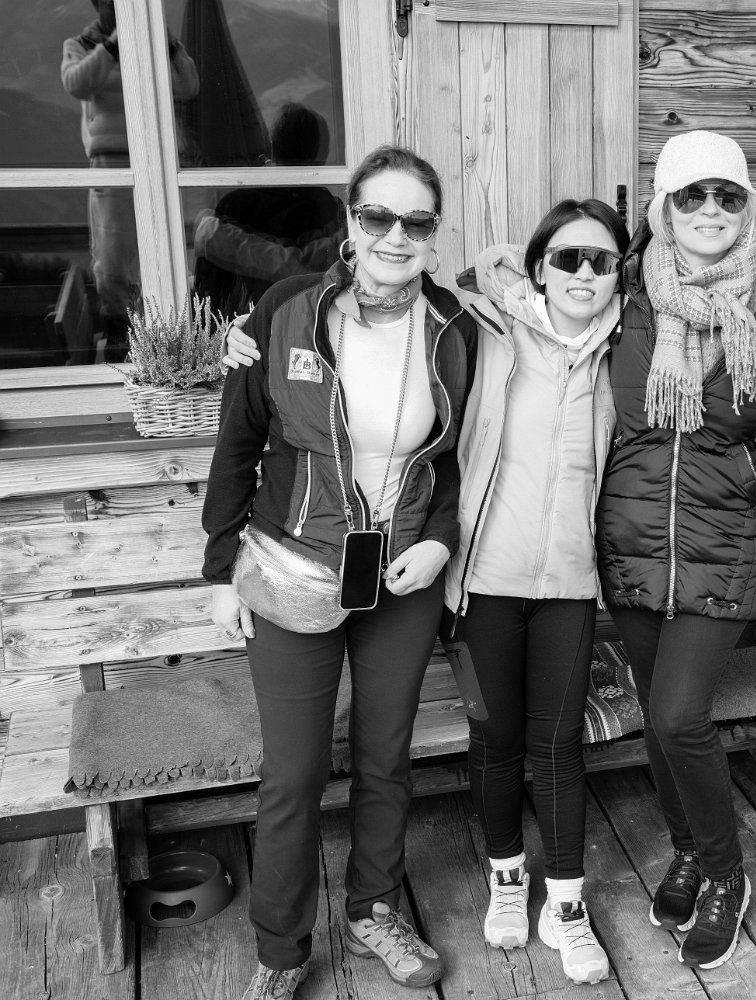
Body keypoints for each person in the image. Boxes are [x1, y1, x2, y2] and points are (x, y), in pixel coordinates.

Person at [203, 145, 474, 1000]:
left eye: (416, 221)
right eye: (377, 216)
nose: (396, 235)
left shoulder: (454, 327)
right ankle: (281, 949)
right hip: (293, 569)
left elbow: (455, 459)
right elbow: (238, 444)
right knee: (293, 772)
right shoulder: (285, 308)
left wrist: (439, 540)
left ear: (434, 232)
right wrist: (217, 570)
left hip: (403, 577)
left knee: (386, 758)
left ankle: (373, 909)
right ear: (351, 222)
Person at [595, 129, 756, 970]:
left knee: (680, 714)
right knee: (659, 715)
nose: (710, 210)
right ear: (664, 208)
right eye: (693, 195)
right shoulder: (623, 290)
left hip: (726, 539)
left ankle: (725, 873)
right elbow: (527, 302)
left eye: (727, 195)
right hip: (635, 536)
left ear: (748, 205)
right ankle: (686, 849)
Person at [439, 199, 629, 985]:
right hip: (483, 580)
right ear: (539, 267)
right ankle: (508, 876)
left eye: (601, 261)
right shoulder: (485, 329)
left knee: (558, 745)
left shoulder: (627, 345)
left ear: (619, 273)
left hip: (570, 586)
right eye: (567, 258)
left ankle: (568, 904)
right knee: (494, 738)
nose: (584, 273)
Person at [61, 0, 198, 356]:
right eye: (110, 2)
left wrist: (169, 43)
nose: (116, 7)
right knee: (112, 255)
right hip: (111, 162)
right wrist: (111, 46)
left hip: (159, 159)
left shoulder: (150, 40)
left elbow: (189, 86)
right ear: (99, 6)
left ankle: (169, 334)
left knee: (163, 243)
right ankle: (120, 334)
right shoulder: (81, 45)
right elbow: (76, 83)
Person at [194, 103, 344, 317]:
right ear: (322, 154)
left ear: (270, 146)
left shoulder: (233, 206)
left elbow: (207, 293)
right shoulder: (331, 210)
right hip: (310, 324)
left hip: (242, 327)